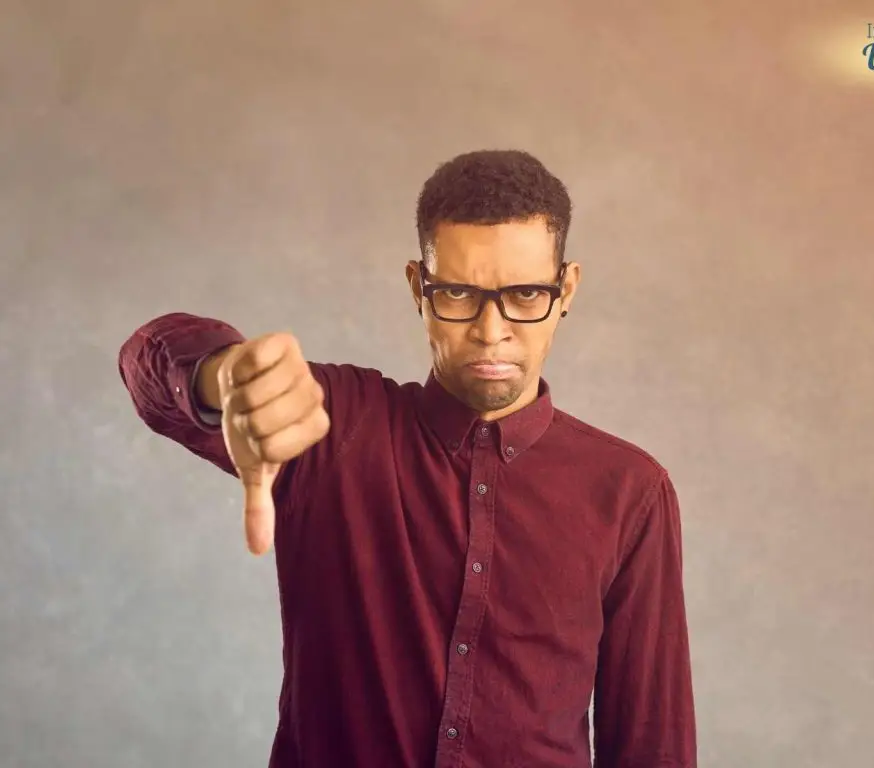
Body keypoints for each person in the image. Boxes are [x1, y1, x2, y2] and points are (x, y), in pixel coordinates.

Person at [118, 149, 697, 767]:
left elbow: (651, 744)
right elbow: (147, 358)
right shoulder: (329, 425)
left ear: (566, 290)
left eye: (525, 293)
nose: (490, 328)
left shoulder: (630, 489)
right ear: (420, 290)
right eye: (458, 293)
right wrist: (221, 375)